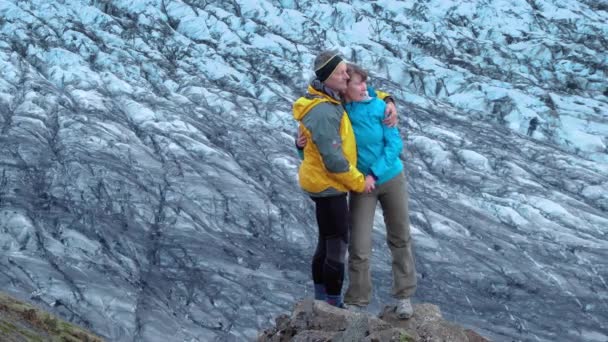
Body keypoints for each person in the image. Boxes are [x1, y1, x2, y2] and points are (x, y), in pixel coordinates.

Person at [293, 50, 375, 307]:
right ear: (328, 77)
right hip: (329, 185)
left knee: (326, 240)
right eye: (341, 73)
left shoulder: (325, 99)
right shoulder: (324, 111)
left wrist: (390, 100)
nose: (346, 76)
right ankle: (332, 303)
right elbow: (333, 159)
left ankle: (321, 299)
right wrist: (360, 182)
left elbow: (313, 146)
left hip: (319, 181)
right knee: (337, 244)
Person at [340, 63, 417, 319]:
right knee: (359, 244)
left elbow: (394, 144)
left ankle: (404, 297)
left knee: (400, 236)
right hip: (361, 185)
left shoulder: (380, 106)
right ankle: (357, 301)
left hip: (390, 178)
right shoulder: (338, 111)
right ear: (345, 88)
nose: (364, 87)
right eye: (357, 83)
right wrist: (299, 144)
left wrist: (373, 173)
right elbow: (319, 144)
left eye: (365, 82)